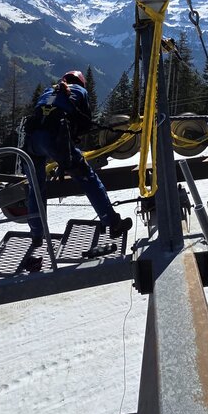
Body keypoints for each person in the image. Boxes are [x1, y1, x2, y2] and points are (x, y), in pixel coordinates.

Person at [21, 69, 132, 270]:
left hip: (32, 140)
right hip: (56, 138)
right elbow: (85, 122)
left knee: (35, 188)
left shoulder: (50, 90)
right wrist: (74, 138)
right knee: (87, 178)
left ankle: (37, 234)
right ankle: (112, 221)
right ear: (81, 82)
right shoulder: (80, 91)